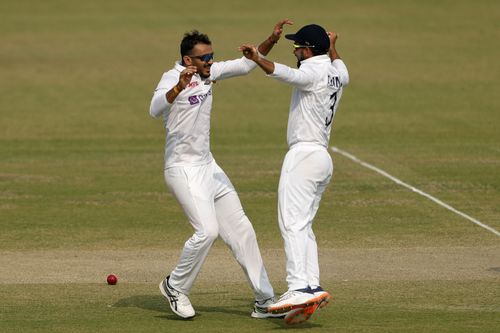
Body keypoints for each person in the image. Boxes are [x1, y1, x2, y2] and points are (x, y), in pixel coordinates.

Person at [148, 20, 293, 320]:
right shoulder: (171, 77)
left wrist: (271, 41)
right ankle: (175, 285)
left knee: (243, 232)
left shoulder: (209, 72)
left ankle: (265, 301)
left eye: (212, 57)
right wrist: (179, 86)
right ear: (188, 60)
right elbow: (154, 109)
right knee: (207, 231)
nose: (211, 62)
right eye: (205, 58)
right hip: (182, 169)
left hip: (208, 166)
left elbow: (245, 64)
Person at [239, 23, 349, 320]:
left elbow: (286, 73)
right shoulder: (338, 72)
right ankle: (311, 286)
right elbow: (337, 61)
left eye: (298, 47)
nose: (296, 51)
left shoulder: (312, 72)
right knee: (303, 225)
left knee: (292, 224)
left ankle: (299, 287)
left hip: (303, 156)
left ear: (309, 49)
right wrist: (332, 43)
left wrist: (257, 58)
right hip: (322, 158)